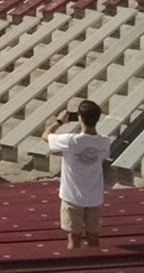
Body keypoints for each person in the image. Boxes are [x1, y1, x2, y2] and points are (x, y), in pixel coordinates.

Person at [47, 99, 109, 250]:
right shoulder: (104, 141)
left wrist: (59, 121)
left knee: (74, 239)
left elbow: (46, 135)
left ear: (80, 117)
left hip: (73, 197)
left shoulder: (70, 140)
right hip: (94, 197)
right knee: (93, 238)